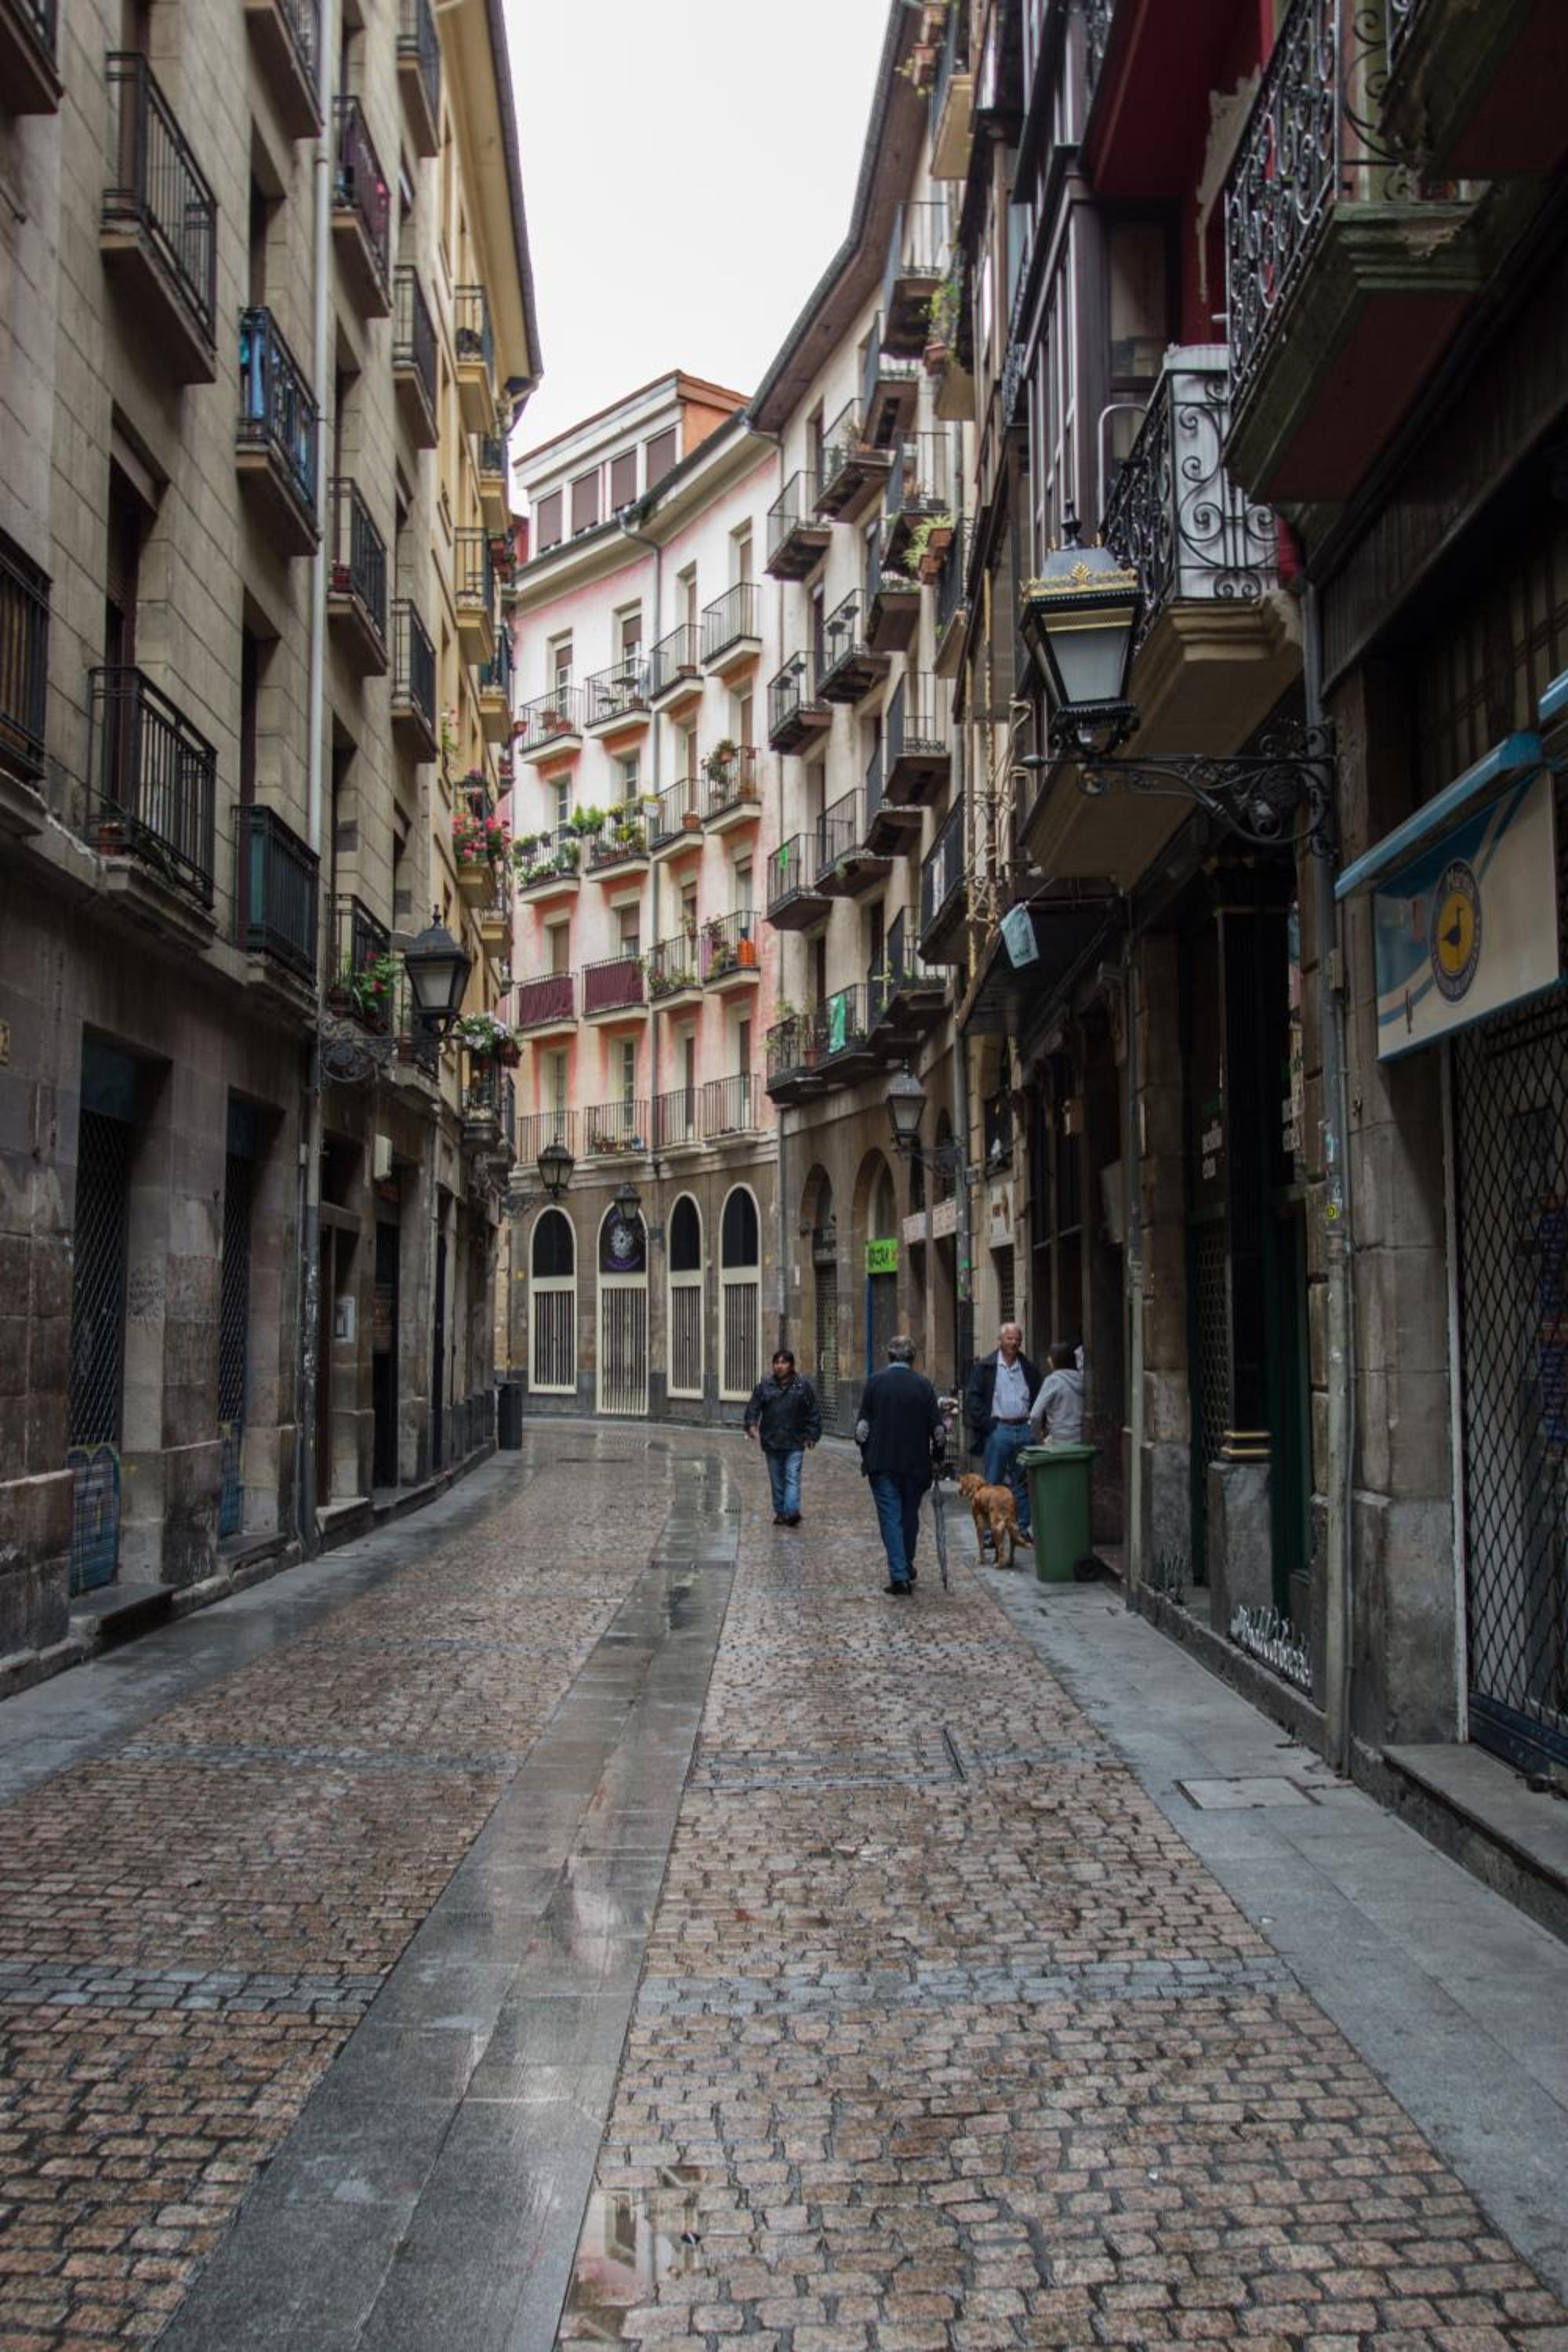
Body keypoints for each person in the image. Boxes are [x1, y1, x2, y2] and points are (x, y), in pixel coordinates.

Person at [856, 1334, 946, 1595]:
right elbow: (938, 1430)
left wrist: (866, 1454)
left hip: (882, 1462)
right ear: (913, 1357)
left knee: (890, 1519)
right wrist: (938, 1459)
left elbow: (861, 1428)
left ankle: (900, 1575)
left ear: (889, 1355)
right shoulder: (923, 1386)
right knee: (909, 1517)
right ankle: (904, 1564)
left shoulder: (874, 1383)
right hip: (916, 1465)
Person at [963, 1321, 1042, 1544]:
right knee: (993, 1483)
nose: (1014, 1342)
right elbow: (973, 1398)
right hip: (999, 1430)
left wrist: (1034, 1427)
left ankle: (1021, 1529)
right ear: (1000, 1340)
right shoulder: (986, 1367)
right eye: (1010, 1338)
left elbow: (1038, 1394)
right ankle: (990, 1533)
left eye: (1017, 1338)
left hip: (1024, 1429)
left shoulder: (1028, 1367)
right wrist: (988, 1424)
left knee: (1023, 1482)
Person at [743, 1348, 822, 1526]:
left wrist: (812, 1435)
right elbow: (753, 1408)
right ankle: (780, 1512)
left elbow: (813, 1412)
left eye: (784, 1362)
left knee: (791, 1476)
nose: (779, 1366)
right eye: (777, 1362)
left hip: (796, 1441)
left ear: (791, 1365)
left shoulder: (802, 1387)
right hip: (772, 1441)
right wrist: (751, 1425)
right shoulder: (764, 1387)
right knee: (777, 1479)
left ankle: (791, 1512)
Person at [1030, 1341, 1085, 1445]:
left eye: (1049, 1357)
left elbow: (1034, 1415)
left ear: (1054, 1360)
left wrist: (1038, 1439)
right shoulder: (1082, 1379)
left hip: (1059, 1440)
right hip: (1081, 1438)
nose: (1047, 1360)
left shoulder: (1053, 1380)